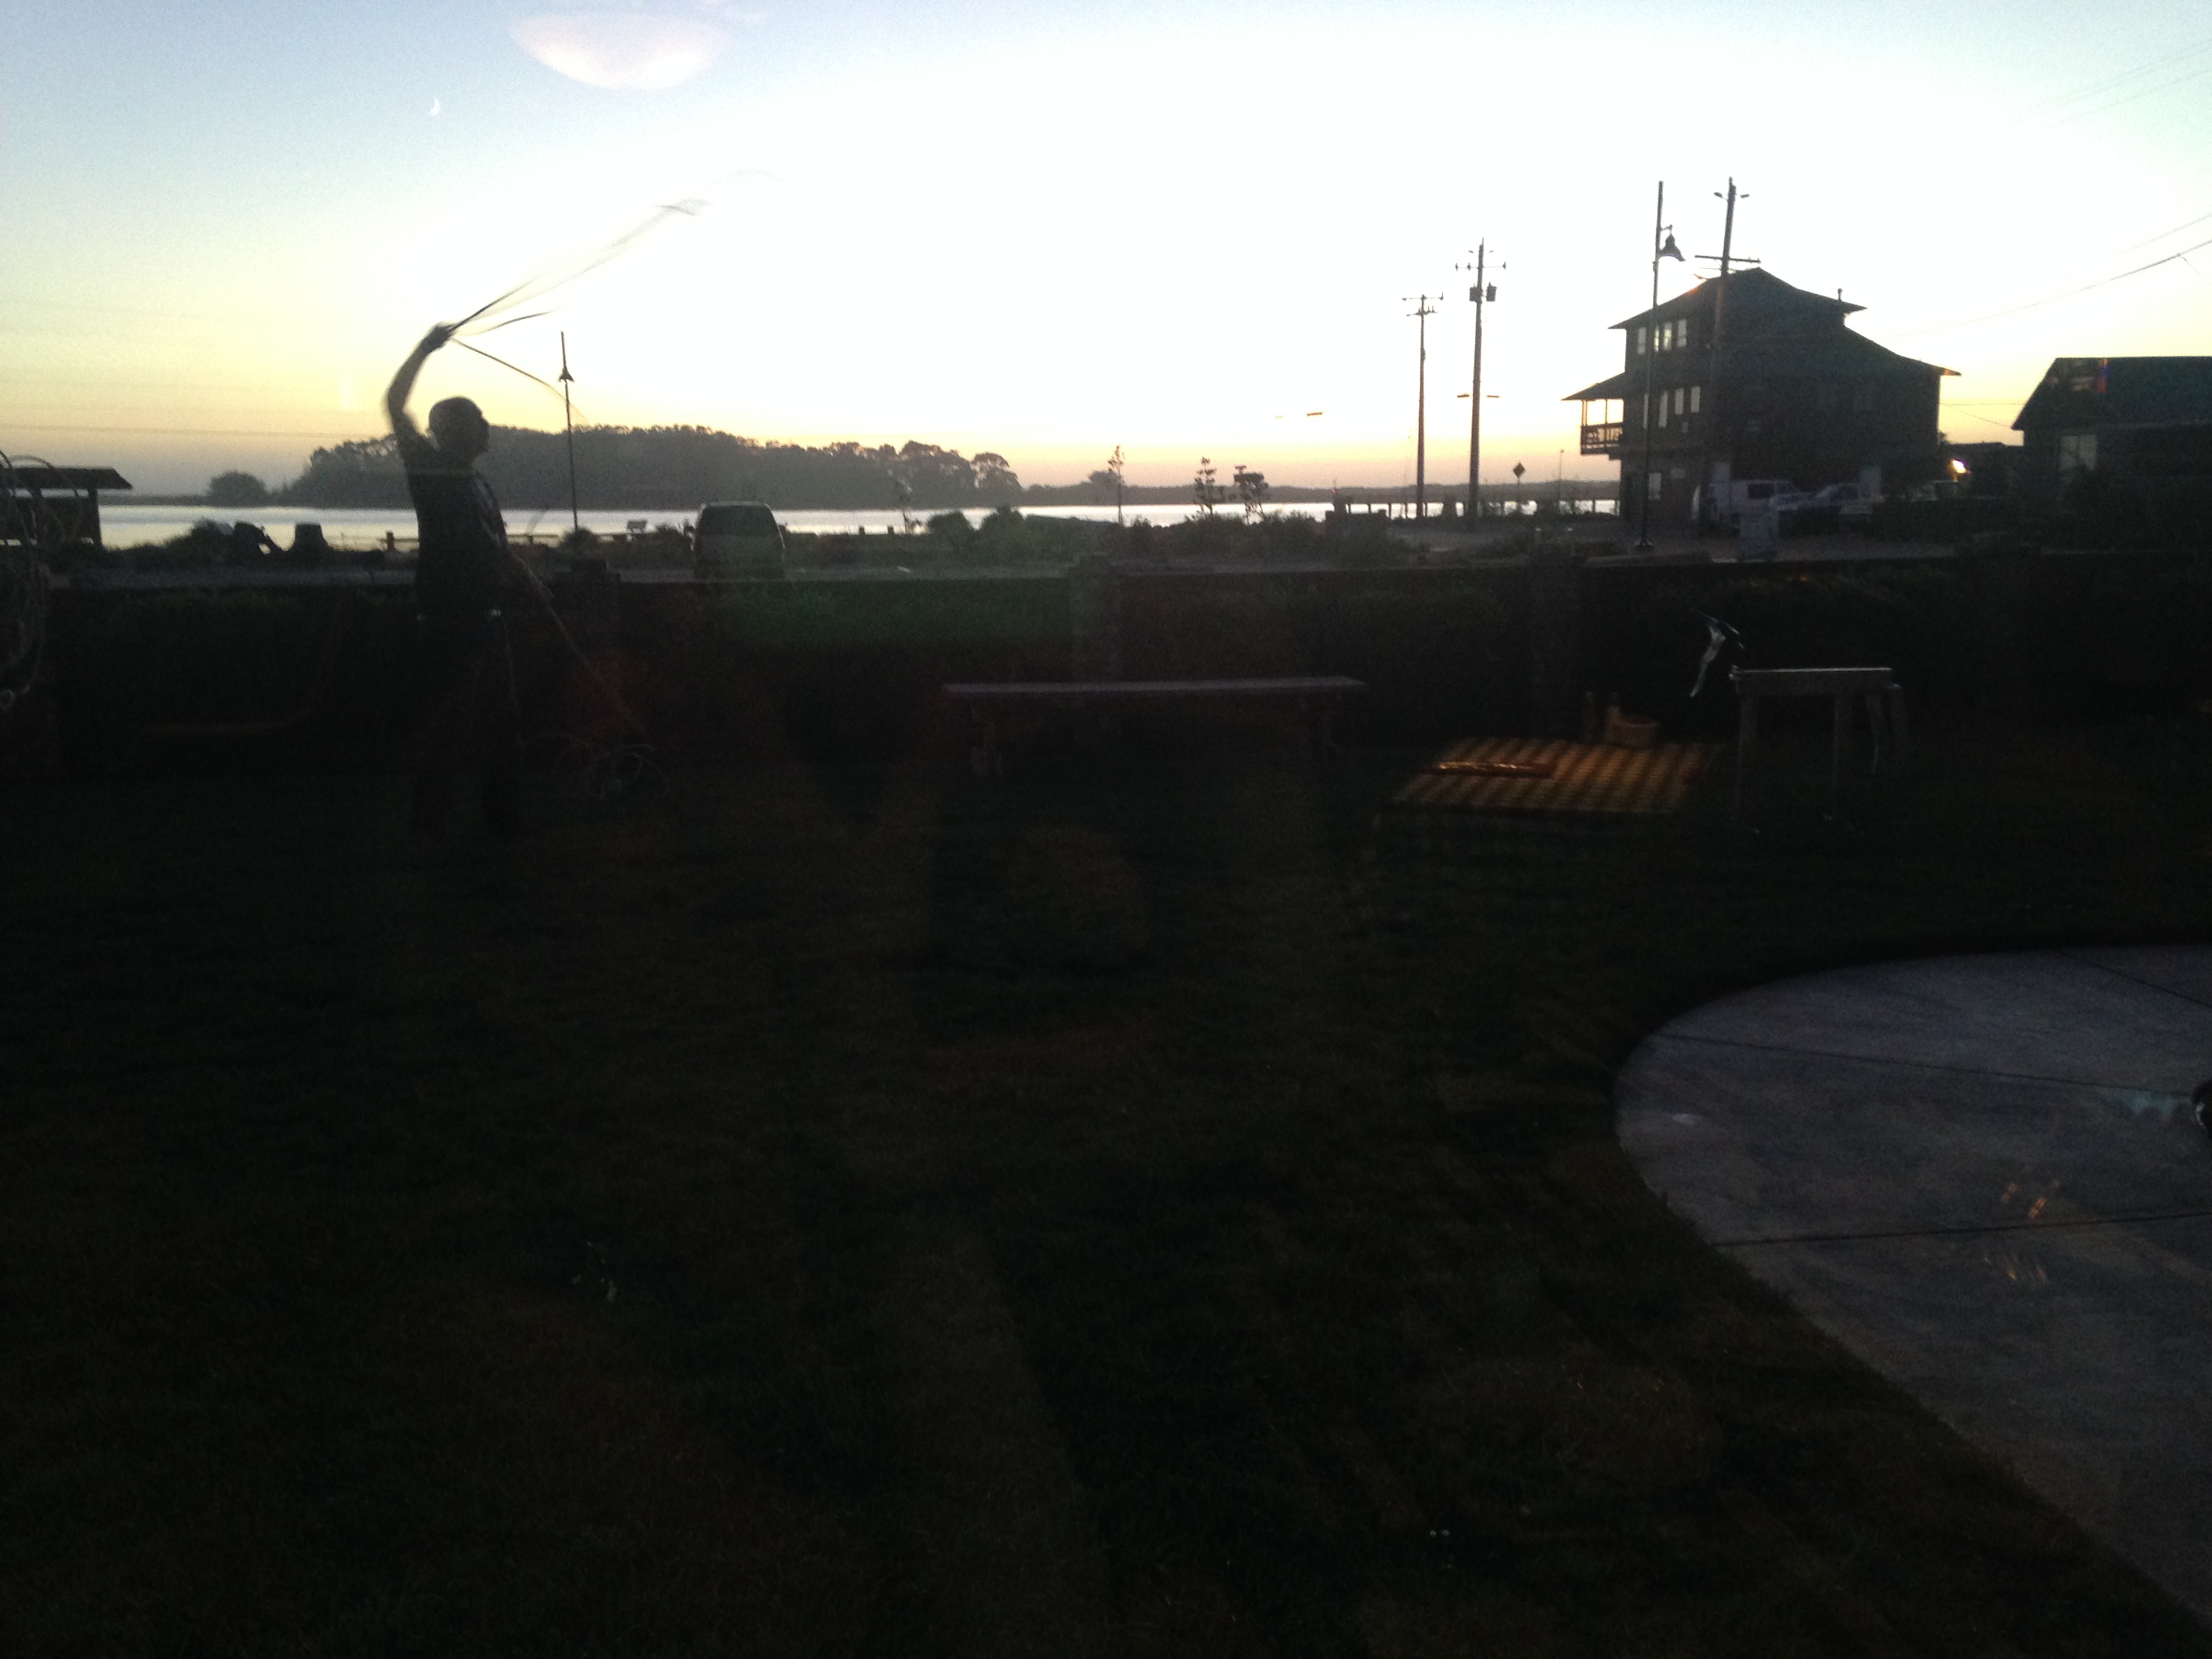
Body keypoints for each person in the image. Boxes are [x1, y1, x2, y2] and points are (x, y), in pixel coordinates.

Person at [386, 323, 551, 837]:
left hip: (486, 615)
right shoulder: (428, 469)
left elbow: (494, 545)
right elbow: (394, 404)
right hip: (449, 618)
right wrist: (424, 348)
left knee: (502, 722)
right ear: (453, 429)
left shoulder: (476, 482)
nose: (487, 425)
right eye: (478, 419)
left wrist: (528, 579)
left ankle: (502, 819)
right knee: (451, 723)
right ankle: (429, 820)